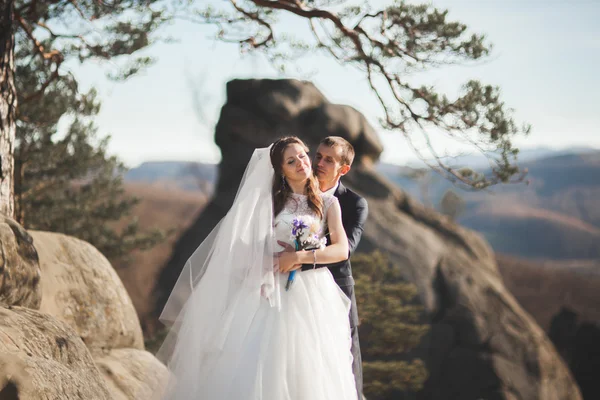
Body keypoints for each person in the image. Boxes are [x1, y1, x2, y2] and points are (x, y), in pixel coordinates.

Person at [153, 136, 358, 400]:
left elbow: (341, 249)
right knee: (264, 361)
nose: (301, 163)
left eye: (303, 156)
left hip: (313, 294)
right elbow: (241, 245)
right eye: (291, 161)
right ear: (281, 170)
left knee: (312, 363)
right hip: (269, 292)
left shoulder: (328, 203)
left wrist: (299, 257)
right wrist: (262, 265)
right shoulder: (270, 203)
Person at [306, 136, 368, 398]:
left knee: (344, 361)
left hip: (336, 291)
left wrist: (297, 257)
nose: (319, 162)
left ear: (344, 169)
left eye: (328, 160)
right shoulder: (293, 193)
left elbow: (345, 251)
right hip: (293, 291)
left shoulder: (354, 203)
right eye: (318, 156)